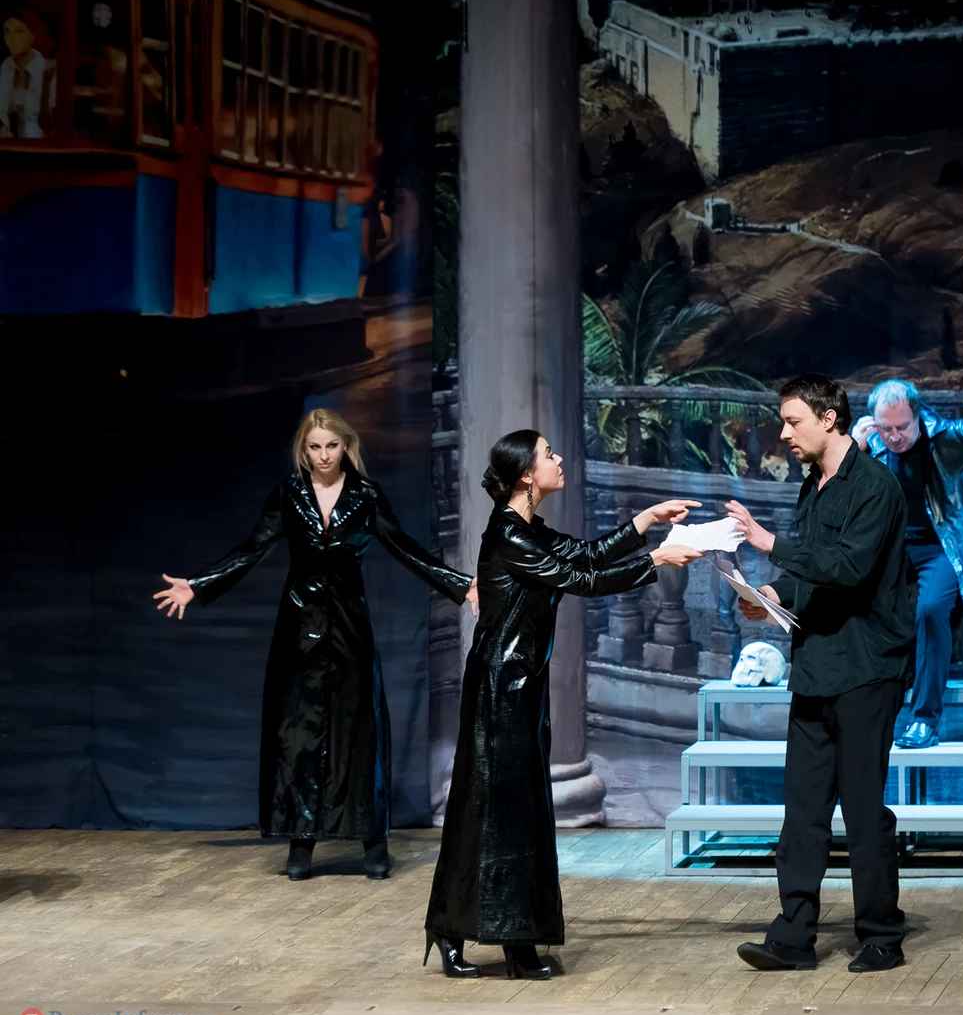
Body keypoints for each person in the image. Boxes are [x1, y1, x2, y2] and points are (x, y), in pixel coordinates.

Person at [423, 429, 703, 980]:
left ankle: (484, 931)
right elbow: (581, 580)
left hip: (522, 684)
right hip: (500, 688)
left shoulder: (530, 529)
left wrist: (645, 521)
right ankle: (490, 935)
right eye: (548, 454)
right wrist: (656, 560)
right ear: (527, 474)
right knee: (500, 811)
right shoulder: (508, 535)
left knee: (517, 811)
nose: (558, 459)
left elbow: (585, 554)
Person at [153, 408, 478, 881]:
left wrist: (460, 584)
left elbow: (405, 547)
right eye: (315, 447)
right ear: (303, 450)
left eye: (331, 445)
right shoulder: (289, 494)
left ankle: (373, 839)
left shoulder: (365, 495)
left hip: (349, 624)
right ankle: (301, 840)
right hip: (299, 625)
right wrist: (199, 585)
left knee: (359, 728)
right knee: (297, 731)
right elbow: (252, 549)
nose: (324, 455)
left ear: (346, 446)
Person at [725, 373, 915, 973]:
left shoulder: (876, 486)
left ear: (828, 418)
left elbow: (850, 568)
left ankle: (881, 935)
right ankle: (793, 937)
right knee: (802, 810)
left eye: (793, 422)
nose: (784, 434)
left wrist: (770, 544)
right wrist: (771, 594)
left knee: (862, 810)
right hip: (815, 666)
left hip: (866, 667)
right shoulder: (813, 486)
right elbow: (814, 574)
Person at [853, 379, 963, 748]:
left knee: (931, 609)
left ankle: (924, 720)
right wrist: (854, 451)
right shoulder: (869, 445)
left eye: (902, 427)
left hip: (944, 547)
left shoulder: (953, 436)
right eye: (885, 428)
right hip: (891, 550)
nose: (894, 436)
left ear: (918, 417)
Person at [1, 10, 56, 138]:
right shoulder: (5, 67)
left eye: (19, 31)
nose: (12, 38)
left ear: (32, 36)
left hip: (39, 143)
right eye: (7, 32)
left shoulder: (48, 71)